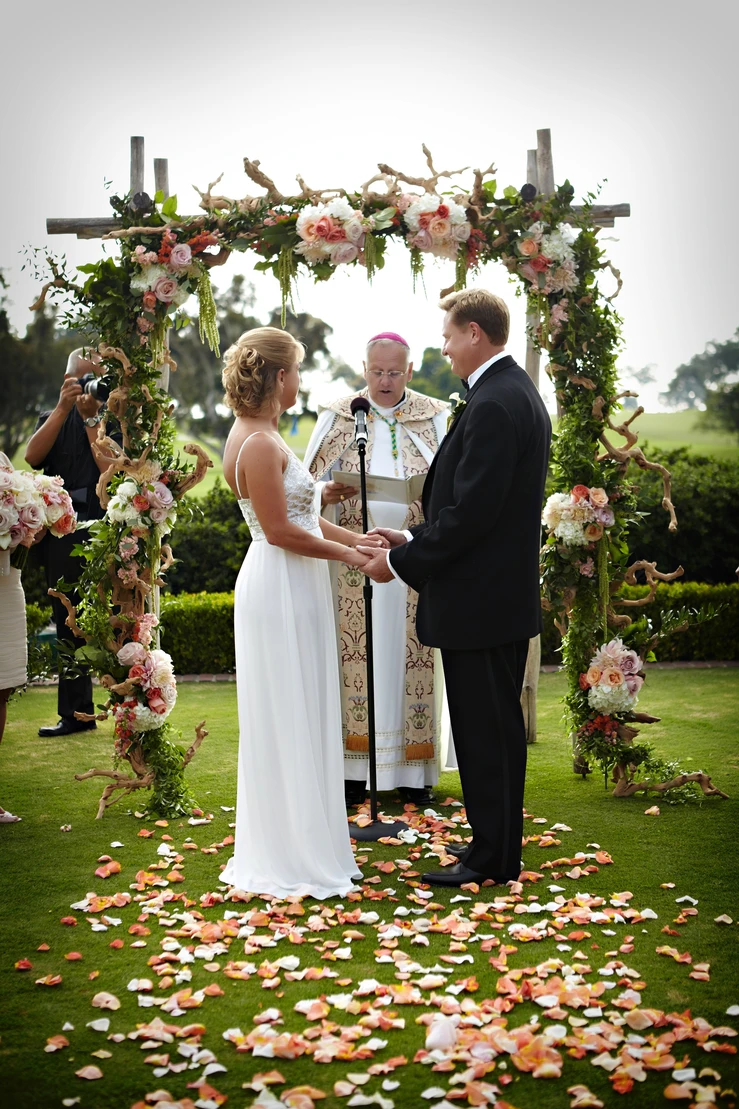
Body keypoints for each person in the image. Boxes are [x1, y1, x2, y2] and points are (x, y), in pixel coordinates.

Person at [358, 289, 551, 888]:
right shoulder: (509, 392)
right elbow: (472, 507)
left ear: (473, 332)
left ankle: (490, 858)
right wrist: (411, 535)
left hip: (480, 604)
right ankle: (496, 850)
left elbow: (473, 515)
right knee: (492, 730)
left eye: (447, 335)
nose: (443, 347)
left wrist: (406, 559)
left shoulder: (494, 403)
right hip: (493, 599)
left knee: (483, 732)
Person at [218, 326, 387, 900]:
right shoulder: (260, 442)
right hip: (281, 581)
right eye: (297, 371)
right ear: (279, 376)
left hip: (290, 578)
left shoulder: (257, 432)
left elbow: (302, 516)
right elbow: (280, 530)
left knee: (303, 704)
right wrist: (349, 555)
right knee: (288, 708)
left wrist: (358, 542)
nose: (300, 382)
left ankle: (305, 837)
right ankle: (289, 851)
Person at [303, 332, 449, 806]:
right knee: (355, 663)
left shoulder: (434, 416)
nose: (385, 382)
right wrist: (324, 493)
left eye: (394, 372)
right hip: (352, 563)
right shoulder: (339, 415)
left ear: (409, 371)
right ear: (363, 368)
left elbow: (451, 486)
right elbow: (302, 487)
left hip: (412, 561)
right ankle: (351, 771)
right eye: (376, 371)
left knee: (411, 660)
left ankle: (413, 772)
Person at [25, 349, 115, 738]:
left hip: (100, 528)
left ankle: (124, 707)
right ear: (67, 381)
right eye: (83, 380)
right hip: (62, 531)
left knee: (110, 617)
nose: (89, 388)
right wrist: (64, 409)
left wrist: (92, 418)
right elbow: (32, 456)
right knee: (67, 621)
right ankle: (74, 714)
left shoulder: (106, 421)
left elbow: (107, 469)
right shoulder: (53, 417)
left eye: (96, 380)